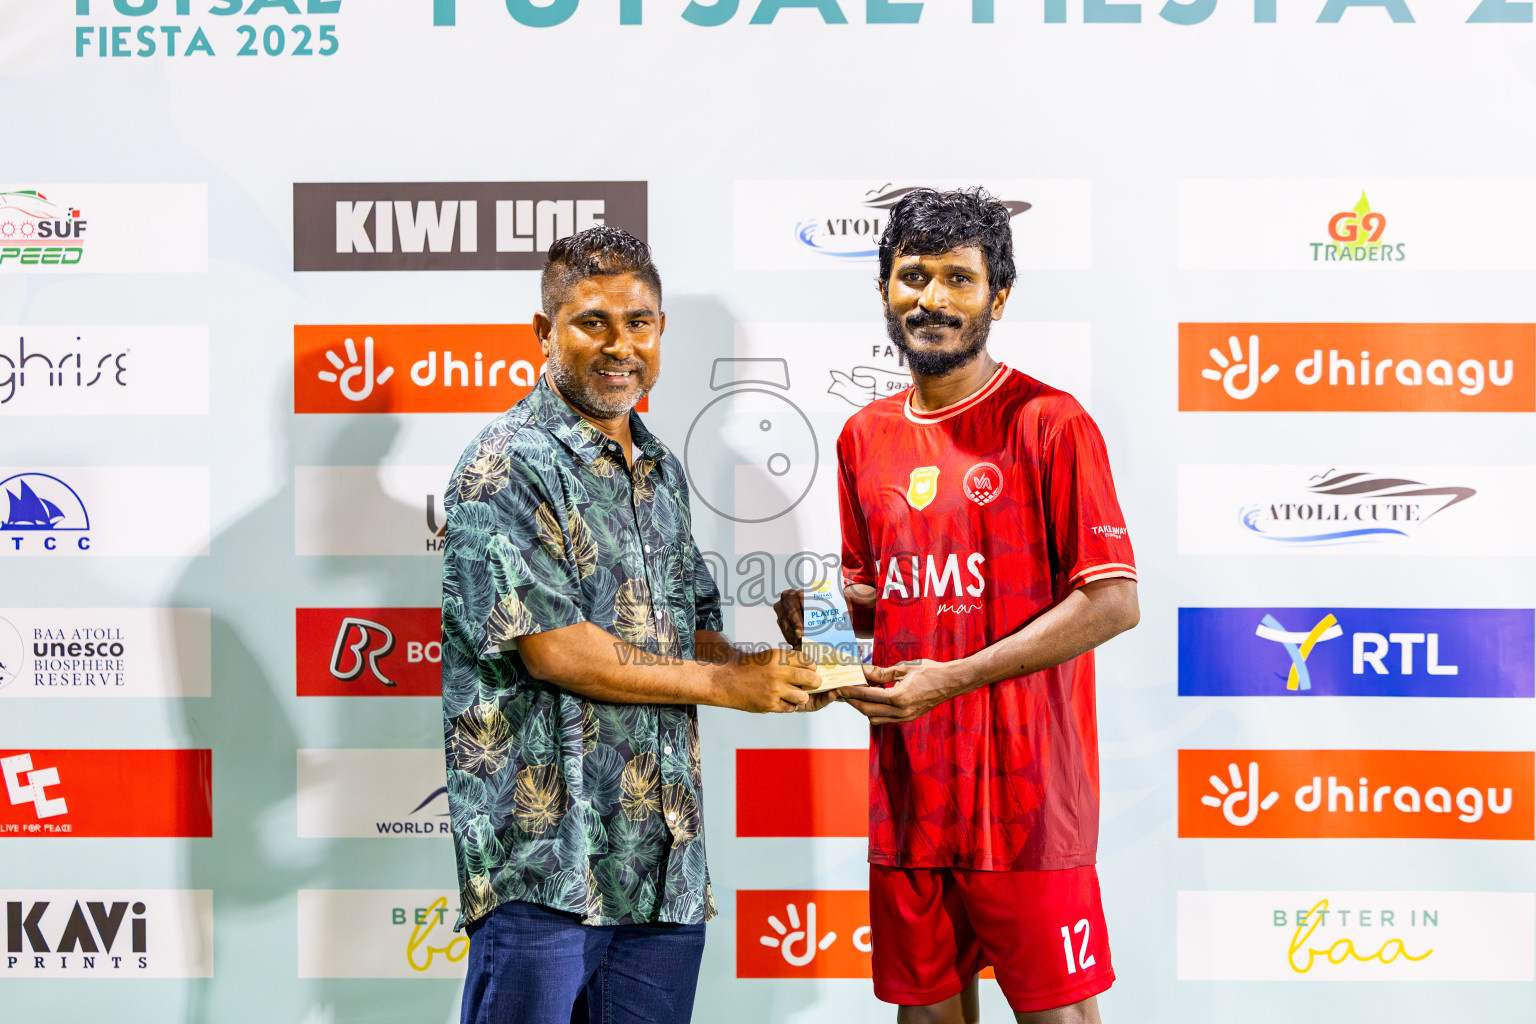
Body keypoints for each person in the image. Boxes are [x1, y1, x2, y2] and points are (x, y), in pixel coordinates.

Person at [775, 189, 1140, 1024]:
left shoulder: (1050, 422)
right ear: (883, 289)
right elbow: (884, 599)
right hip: (908, 797)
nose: (931, 299)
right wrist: (824, 619)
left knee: (1059, 1016)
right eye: (912, 276)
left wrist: (954, 678)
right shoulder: (865, 436)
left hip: (1025, 805)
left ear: (997, 298)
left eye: (957, 280)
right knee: (928, 1016)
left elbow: (1113, 602)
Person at [441, 226, 820, 1024]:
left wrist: (788, 667)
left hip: (661, 874)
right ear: (542, 333)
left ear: (660, 332)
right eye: (592, 323)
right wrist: (728, 683)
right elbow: (556, 651)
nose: (619, 346)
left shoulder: (660, 468)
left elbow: (693, 641)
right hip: (546, 876)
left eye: (638, 323)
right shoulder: (508, 462)